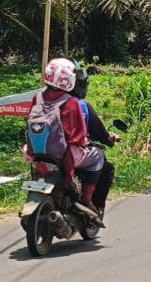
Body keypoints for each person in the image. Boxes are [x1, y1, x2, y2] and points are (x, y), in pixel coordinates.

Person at [37, 58, 106, 226]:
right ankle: (85, 200)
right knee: (98, 156)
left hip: (36, 150)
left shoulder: (39, 98)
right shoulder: (74, 103)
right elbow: (79, 135)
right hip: (65, 153)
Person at [70, 64, 120, 220]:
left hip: (38, 152)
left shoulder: (44, 101)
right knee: (101, 160)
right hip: (69, 152)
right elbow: (99, 132)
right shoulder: (81, 105)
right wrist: (110, 140)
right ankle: (87, 201)